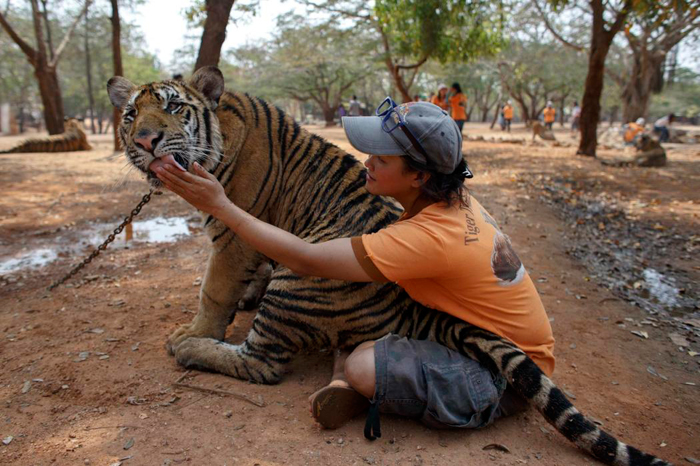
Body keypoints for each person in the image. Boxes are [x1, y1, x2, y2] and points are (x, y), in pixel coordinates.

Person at [151, 98, 555, 435]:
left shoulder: (424, 238)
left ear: (419, 175)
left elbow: (305, 260)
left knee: (364, 366)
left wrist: (220, 205)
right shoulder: (453, 200)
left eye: (381, 158)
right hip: (477, 338)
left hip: (501, 374)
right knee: (364, 330)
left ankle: (280, 365)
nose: (366, 162)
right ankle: (352, 372)